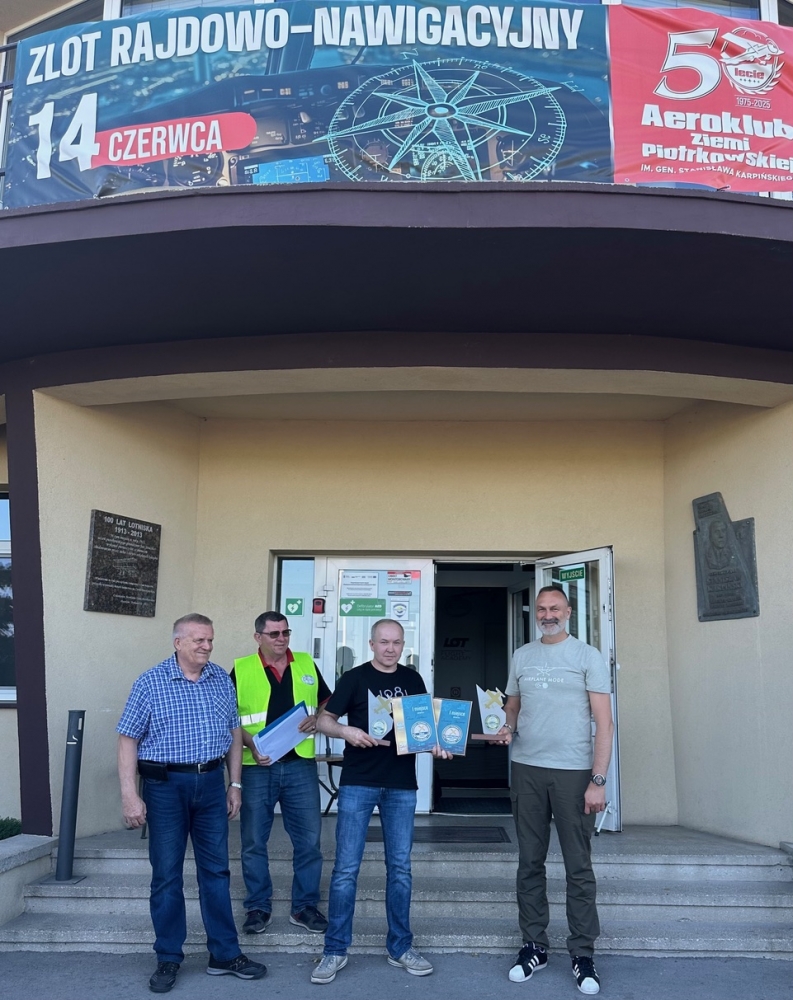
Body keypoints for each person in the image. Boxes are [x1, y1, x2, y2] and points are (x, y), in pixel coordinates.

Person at [117, 613, 267, 995]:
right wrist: (130, 795)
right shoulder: (150, 682)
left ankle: (224, 954)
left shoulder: (220, 679)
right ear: (178, 642)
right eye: (199, 640)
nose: (207, 646)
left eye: (210, 639)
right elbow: (127, 739)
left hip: (211, 784)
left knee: (216, 871)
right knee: (167, 875)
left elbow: (234, 732)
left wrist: (235, 784)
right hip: (166, 787)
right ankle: (168, 956)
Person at [310, 619, 451, 985]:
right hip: (358, 783)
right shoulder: (354, 678)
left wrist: (439, 744)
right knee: (345, 870)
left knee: (400, 869)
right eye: (384, 642)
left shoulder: (413, 680)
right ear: (371, 644)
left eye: (397, 643)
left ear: (403, 645)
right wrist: (346, 731)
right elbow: (323, 721)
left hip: (401, 786)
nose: (390, 649)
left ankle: (400, 947)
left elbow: (424, 730)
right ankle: (335, 950)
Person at [495, 586, 613, 996]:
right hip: (526, 768)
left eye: (555, 608)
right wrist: (507, 725)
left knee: (578, 866)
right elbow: (513, 705)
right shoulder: (523, 655)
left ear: (568, 611)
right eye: (542, 609)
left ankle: (582, 952)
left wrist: (598, 780)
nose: (548, 614)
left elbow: (605, 723)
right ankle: (534, 945)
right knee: (530, 862)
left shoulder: (587, 656)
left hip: (573, 773)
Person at [233, 611, 333, 936]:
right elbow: (228, 719)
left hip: (299, 765)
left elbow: (327, 703)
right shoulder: (241, 669)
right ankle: (257, 907)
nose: (281, 638)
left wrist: (318, 718)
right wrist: (250, 743)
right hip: (257, 766)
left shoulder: (305, 663)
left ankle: (304, 907)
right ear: (258, 637)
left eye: (286, 632)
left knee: (309, 841)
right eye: (274, 633)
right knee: (253, 841)